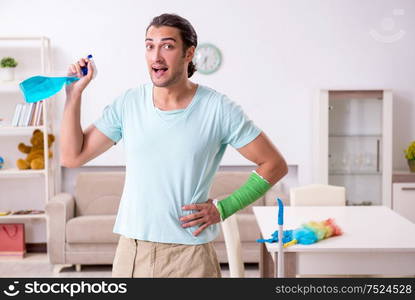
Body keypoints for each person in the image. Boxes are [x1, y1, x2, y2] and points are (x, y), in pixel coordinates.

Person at [60, 13, 288, 278]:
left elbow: (274, 165)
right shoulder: (128, 104)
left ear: (188, 53)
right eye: (149, 46)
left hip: (189, 257)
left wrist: (224, 208)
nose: (156, 56)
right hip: (132, 253)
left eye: (167, 46)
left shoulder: (218, 109)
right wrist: (73, 95)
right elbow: (71, 157)